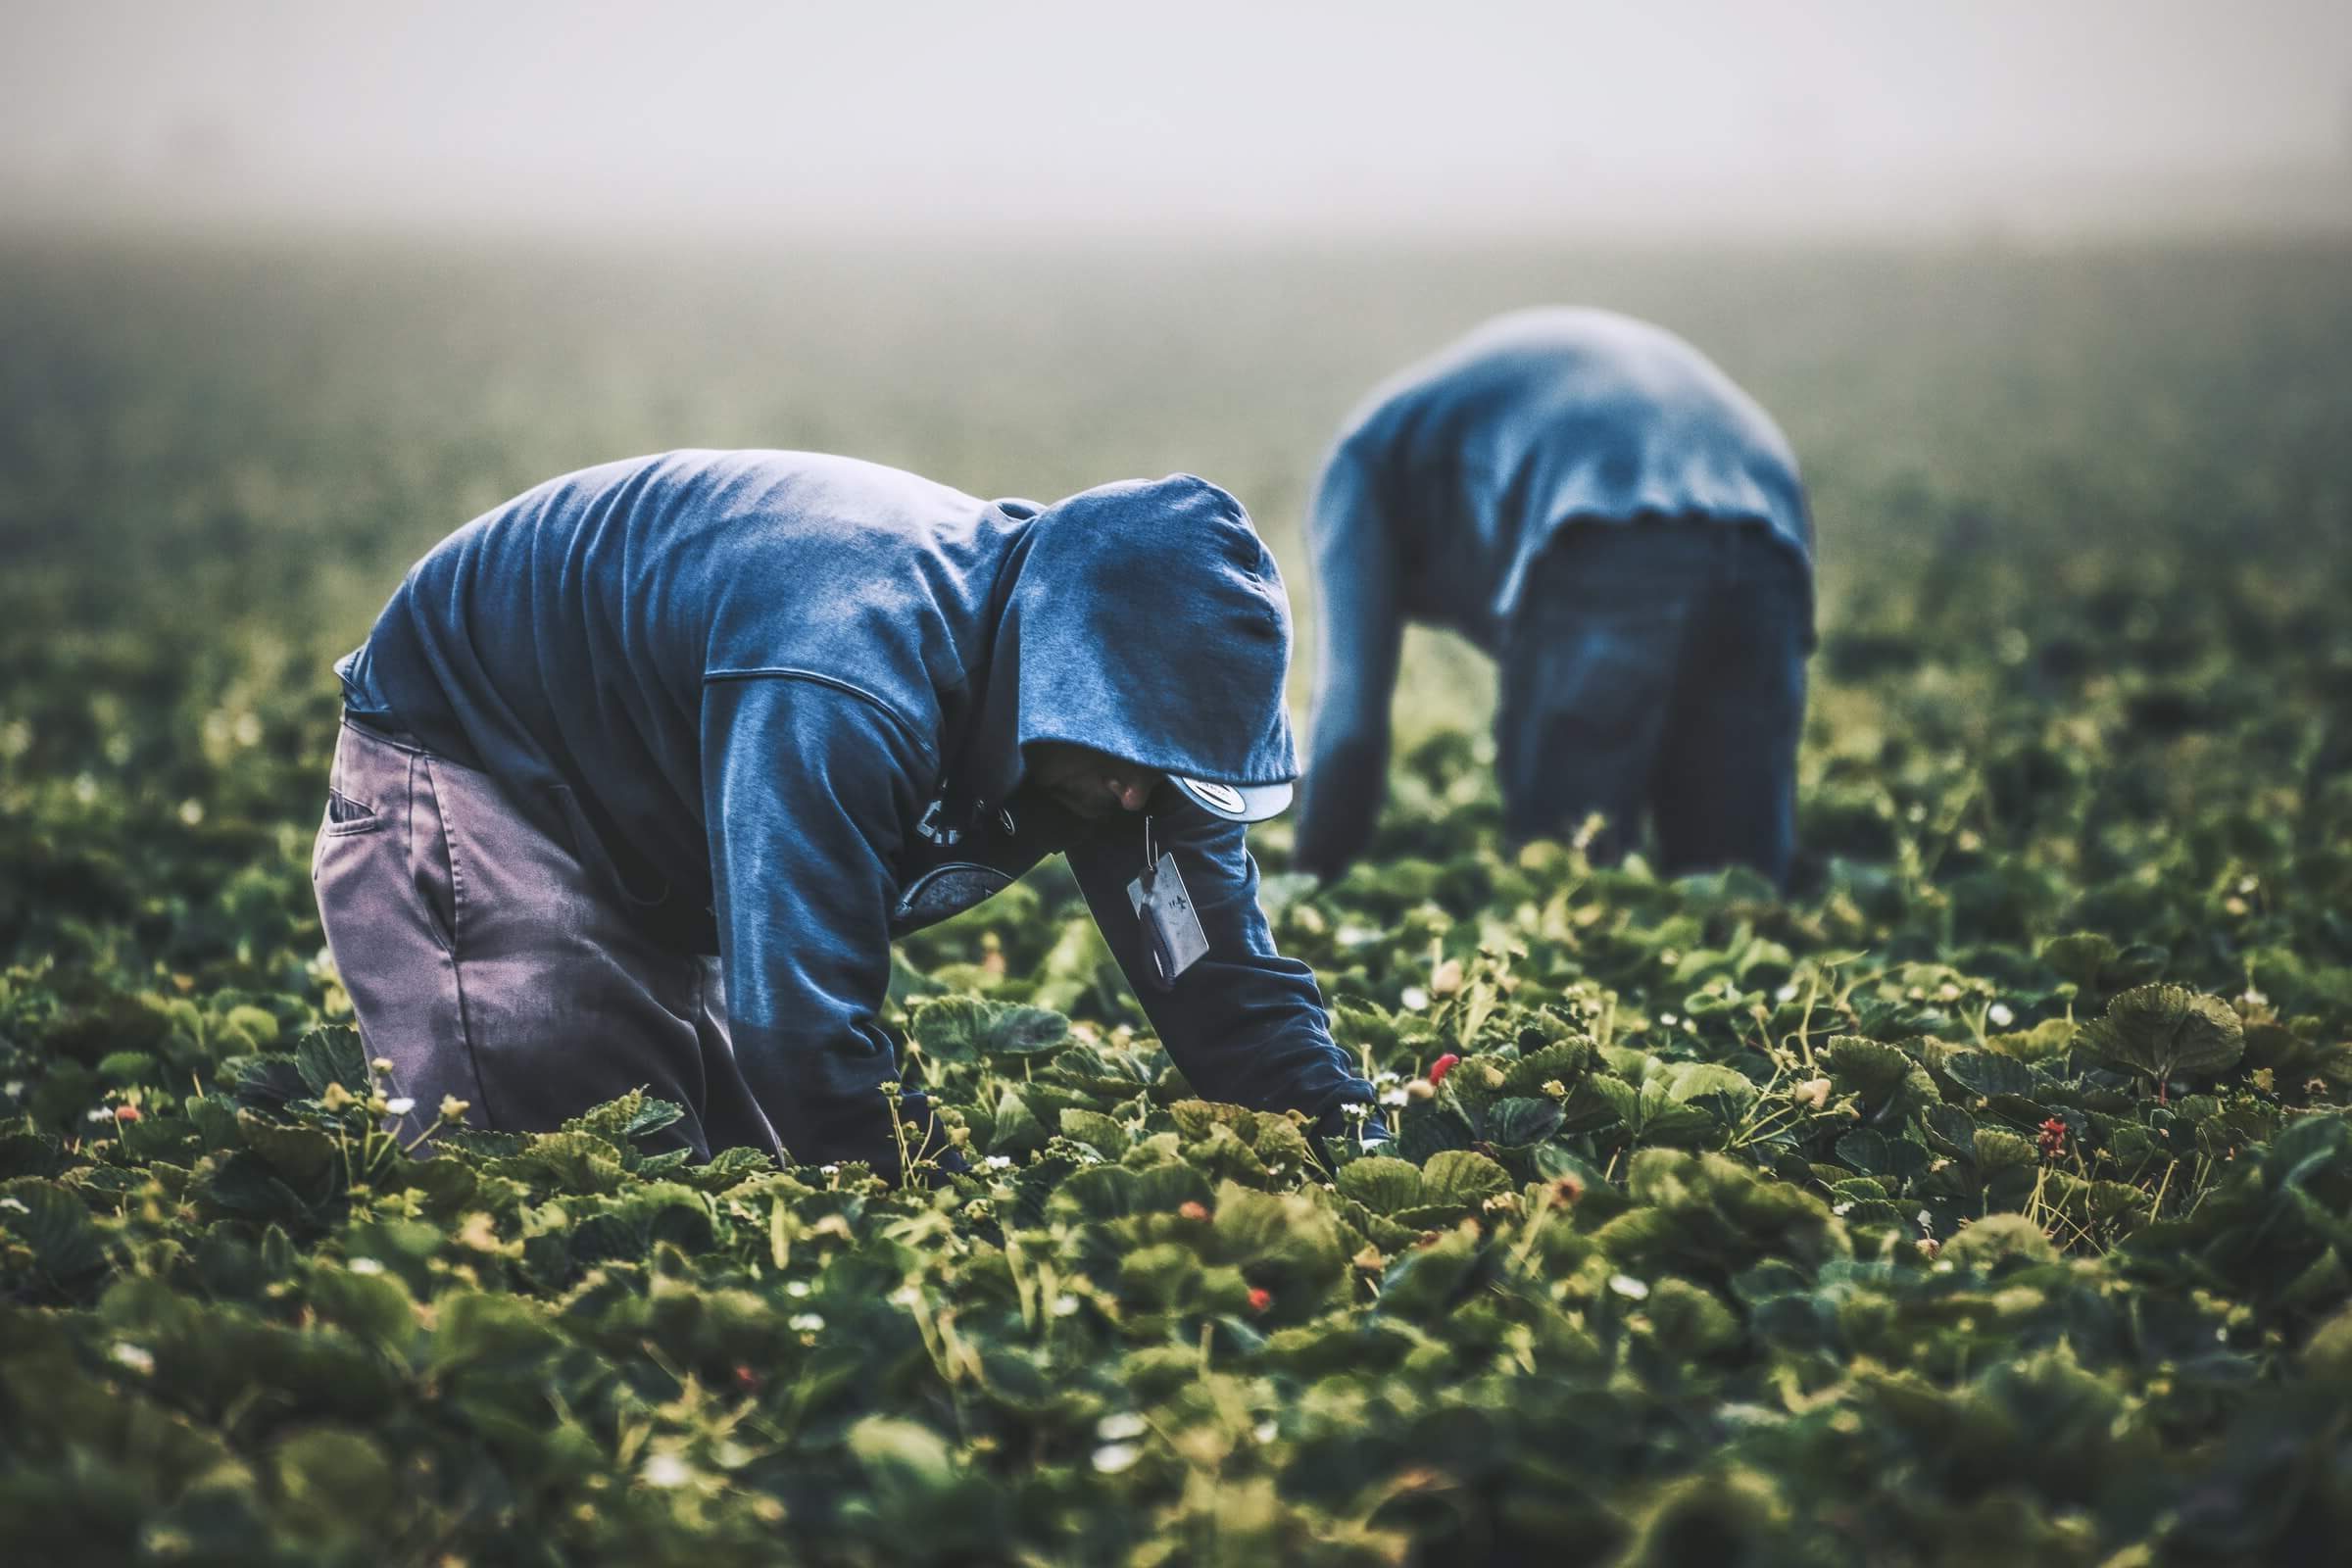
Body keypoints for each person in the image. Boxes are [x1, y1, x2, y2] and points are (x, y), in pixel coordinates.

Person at [314, 450, 1376, 1173]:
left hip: (660, 802)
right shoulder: (848, 671)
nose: (1141, 797)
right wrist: (945, 1198)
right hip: (478, 753)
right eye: (1126, 751)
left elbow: (1217, 978)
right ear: (1057, 671)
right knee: (550, 1169)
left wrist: (1350, 1139)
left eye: (1172, 766)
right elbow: (802, 1027)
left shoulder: (1125, 756)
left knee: (715, 1173)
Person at [1293, 308, 1814, 887]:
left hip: (1606, 512)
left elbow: (1351, 725)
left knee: (1570, 872)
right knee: (1736, 885)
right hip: (1770, 517)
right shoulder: (1430, 439)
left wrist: (1314, 877)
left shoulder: (1354, 471)